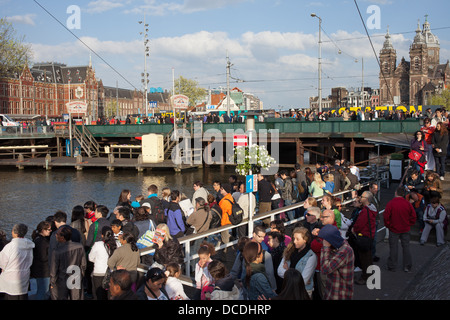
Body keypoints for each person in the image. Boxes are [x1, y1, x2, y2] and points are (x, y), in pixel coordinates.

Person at [383, 187, 417, 272]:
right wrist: (409, 224)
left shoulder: (391, 203)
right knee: (406, 247)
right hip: (405, 228)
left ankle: (392, 265)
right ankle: (407, 265)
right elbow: (413, 216)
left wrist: (388, 225)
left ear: (396, 193)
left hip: (394, 228)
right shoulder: (407, 204)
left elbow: (386, 216)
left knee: (393, 247)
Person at [277, 227, 317, 298]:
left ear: (305, 240)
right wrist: (298, 278)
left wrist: (287, 270)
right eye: (293, 238)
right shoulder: (289, 251)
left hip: (304, 292)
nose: (294, 241)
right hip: (289, 290)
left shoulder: (311, 256)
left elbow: (304, 280)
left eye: (298, 239)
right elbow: (279, 271)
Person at [318, 224, 354, 300]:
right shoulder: (337, 244)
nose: (323, 242)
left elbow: (325, 269)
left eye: (324, 239)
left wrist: (326, 247)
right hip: (331, 290)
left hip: (340, 293)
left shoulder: (345, 251)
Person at [50, 225, 87, 300]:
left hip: (62, 279)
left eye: (57, 234)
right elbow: (83, 264)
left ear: (62, 238)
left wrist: (52, 282)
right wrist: (81, 275)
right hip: (76, 276)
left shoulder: (57, 251)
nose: (56, 236)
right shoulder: (79, 246)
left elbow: (53, 269)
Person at [0, 224, 35, 300]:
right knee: (22, 296)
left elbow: (2, 261)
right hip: (24, 276)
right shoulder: (29, 245)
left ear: (15, 233)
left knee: (11, 296)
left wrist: (3, 268)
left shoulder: (10, 246)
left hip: (11, 278)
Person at [350, 191, 377, 285]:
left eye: (361, 196)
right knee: (368, 256)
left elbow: (360, 224)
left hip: (364, 236)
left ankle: (365, 277)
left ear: (365, 199)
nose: (360, 198)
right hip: (369, 236)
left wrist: (354, 229)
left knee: (364, 258)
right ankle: (369, 273)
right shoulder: (371, 209)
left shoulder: (366, 211)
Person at [88, 226, 117, 300]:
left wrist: (98, 260)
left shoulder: (98, 244)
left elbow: (90, 258)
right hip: (111, 272)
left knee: (98, 294)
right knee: (109, 294)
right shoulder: (116, 244)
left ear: (102, 235)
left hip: (99, 272)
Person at [30, 221, 52, 300]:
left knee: (41, 291)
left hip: (38, 270)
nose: (50, 231)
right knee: (43, 291)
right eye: (49, 230)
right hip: (43, 271)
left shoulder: (37, 239)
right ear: (43, 230)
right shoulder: (42, 242)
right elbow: (43, 257)